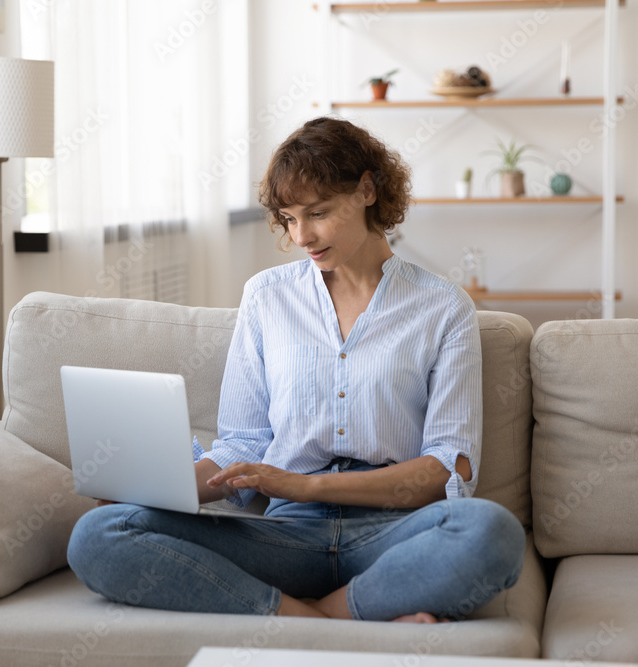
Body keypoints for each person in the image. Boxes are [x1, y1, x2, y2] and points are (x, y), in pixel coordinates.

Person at [67, 116, 525, 623]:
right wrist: (148, 484)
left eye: (317, 213)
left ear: (368, 190)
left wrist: (306, 486)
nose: (301, 235)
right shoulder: (266, 297)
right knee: (100, 533)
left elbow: (445, 472)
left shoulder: (443, 307)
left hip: (393, 534)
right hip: (283, 538)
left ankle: (318, 616)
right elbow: (242, 448)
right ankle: (324, 617)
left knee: (490, 532)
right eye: (288, 218)